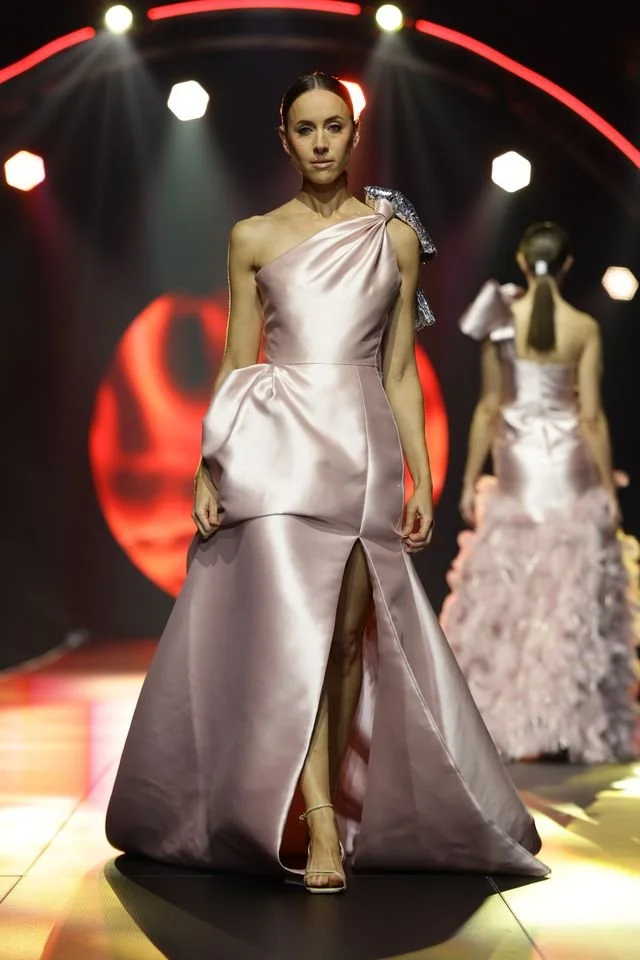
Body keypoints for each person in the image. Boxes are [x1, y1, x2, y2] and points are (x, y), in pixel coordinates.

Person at [106, 72, 548, 893]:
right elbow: (239, 361)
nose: (319, 141)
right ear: (284, 137)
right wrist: (208, 463)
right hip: (277, 442)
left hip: (362, 441)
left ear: (353, 134)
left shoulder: (394, 234)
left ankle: (332, 806)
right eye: (305, 128)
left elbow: (401, 369)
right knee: (293, 631)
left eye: (333, 127)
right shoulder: (253, 237)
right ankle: (315, 819)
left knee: (348, 638)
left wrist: (418, 472)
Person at [441, 222, 639, 764]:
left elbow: (486, 406)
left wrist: (467, 478)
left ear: (523, 263)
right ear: (568, 266)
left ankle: (500, 722)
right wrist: (608, 489)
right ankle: (562, 726)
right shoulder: (584, 326)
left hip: (517, 459)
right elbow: (592, 416)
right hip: (569, 459)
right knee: (567, 585)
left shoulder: (501, 319)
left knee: (510, 582)